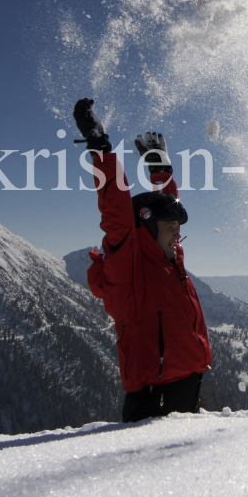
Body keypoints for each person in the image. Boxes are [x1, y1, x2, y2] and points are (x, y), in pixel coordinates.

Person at [73, 98, 212, 422]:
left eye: (177, 229)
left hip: (185, 379)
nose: (177, 236)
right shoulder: (128, 270)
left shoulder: (169, 255)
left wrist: (159, 168)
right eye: (169, 229)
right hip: (156, 393)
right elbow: (117, 211)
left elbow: (168, 204)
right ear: (146, 231)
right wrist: (100, 148)